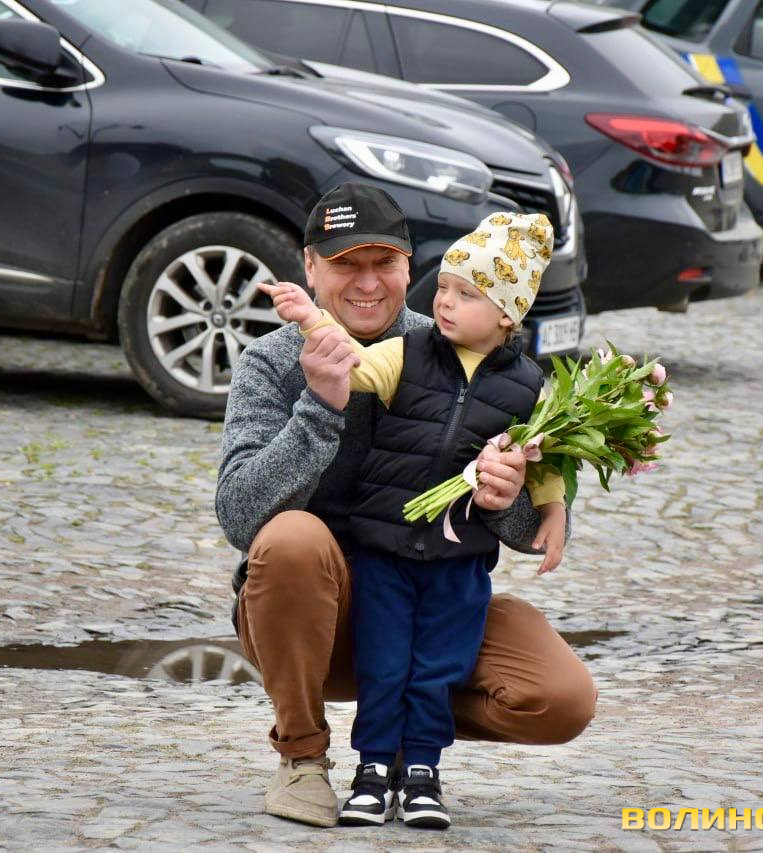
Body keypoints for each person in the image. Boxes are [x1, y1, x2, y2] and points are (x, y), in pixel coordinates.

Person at [215, 182, 596, 830]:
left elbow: (533, 525)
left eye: (383, 263)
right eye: (345, 264)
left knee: (559, 698)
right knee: (292, 538)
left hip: (433, 603)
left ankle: (410, 735)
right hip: (317, 620)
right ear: (310, 267)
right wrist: (319, 408)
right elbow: (239, 516)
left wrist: (504, 499)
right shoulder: (272, 362)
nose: (367, 283)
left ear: (409, 266)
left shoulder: (464, 346)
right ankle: (302, 755)